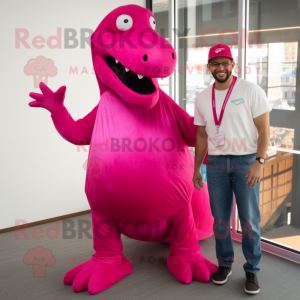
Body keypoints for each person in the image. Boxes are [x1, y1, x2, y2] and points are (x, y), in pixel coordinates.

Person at [193, 44, 271, 295]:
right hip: (215, 164)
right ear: (209, 68)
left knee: (249, 219)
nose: (221, 68)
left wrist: (259, 162)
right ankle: (225, 264)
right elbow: (201, 135)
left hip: (246, 161)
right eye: (215, 63)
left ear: (232, 65)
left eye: (225, 62)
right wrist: (197, 168)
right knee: (220, 220)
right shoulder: (202, 96)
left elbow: (264, 129)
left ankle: (252, 269)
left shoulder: (250, 90)